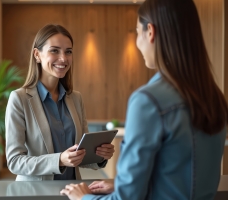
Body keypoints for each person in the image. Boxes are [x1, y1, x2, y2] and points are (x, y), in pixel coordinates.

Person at [60, 0, 228, 199]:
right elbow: (179, 177)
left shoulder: (148, 101)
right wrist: (123, 186)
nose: (138, 42)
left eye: (137, 32)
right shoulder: (214, 96)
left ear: (151, 31)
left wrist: (84, 197)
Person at [5, 24, 115, 181]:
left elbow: (81, 155)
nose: (63, 58)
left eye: (68, 51)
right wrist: (59, 160)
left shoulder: (76, 99)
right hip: (35, 193)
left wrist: (99, 156)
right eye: (54, 50)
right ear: (37, 54)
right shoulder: (19, 99)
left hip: (72, 191)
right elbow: (15, 162)